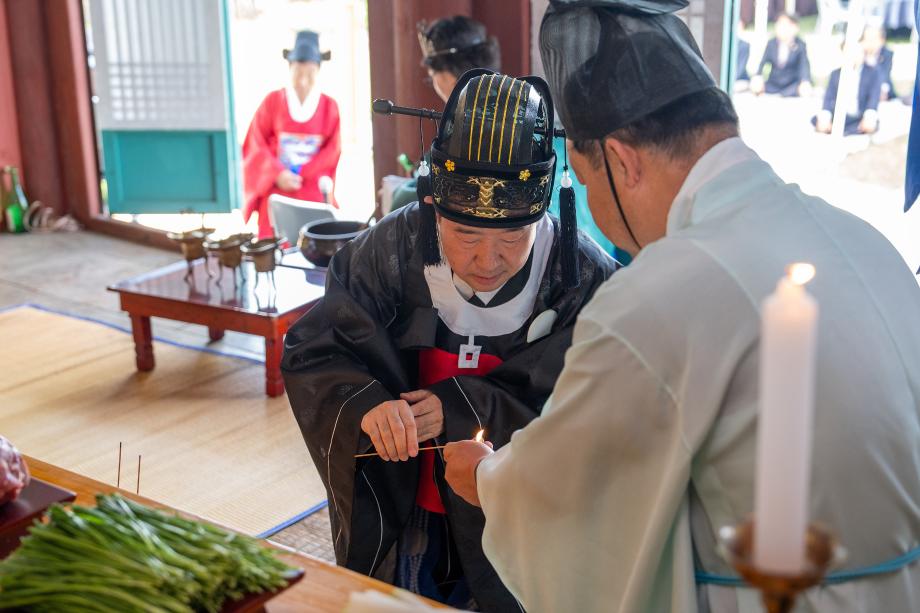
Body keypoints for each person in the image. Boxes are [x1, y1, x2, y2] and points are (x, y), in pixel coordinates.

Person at [444, 1, 920, 611]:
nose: (593, 200)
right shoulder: (863, 240)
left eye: (586, 183)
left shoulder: (663, 294)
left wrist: (486, 479)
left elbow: (568, 489)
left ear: (620, 160)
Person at [281, 70, 616, 611]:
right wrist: (366, 405)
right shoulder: (391, 247)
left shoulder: (580, 277)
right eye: (465, 236)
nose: (488, 260)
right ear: (434, 206)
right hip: (408, 494)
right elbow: (318, 345)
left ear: (543, 211)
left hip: (516, 510)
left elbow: (598, 406)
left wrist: (462, 407)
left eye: (512, 236)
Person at [390, 15, 622, 260]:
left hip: (537, 260)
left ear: (445, 76)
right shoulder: (544, 128)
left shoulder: (466, 141)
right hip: (592, 253)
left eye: (432, 76)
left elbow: (409, 204)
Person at [242, 30, 341, 238]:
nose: (303, 81)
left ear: (318, 71)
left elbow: (332, 150)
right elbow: (255, 143)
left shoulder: (329, 106)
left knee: (316, 242)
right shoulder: (272, 101)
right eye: (298, 72)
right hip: (278, 184)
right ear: (290, 69)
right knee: (273, 243)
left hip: (312, 184)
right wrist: (277, 174)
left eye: (310, 73)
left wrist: (304, 173)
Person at [813, 43, 882, 136]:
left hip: (859, 115)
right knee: (820, 123)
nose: (854, 57)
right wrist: (825, 118)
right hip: (839, 115)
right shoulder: (836, 74)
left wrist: (869, 117)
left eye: (858, 53)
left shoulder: (872, 73)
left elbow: (874, 98)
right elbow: (828, 98)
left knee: (870, 125)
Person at [751, 13, 812, 97]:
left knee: (805, 89)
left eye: (785, 25)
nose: (781, 28)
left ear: (794, 28)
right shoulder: (771, 43)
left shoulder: (800, 45)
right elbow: (763, 62)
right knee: (756, 84)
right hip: (773, 82)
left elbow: (804, 65)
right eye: (779, 24)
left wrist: (805, 80)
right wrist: (758, 76)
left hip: (791, 84)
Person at [862, 21, 897, 101]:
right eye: (867, 38)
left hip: (883, 92)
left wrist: (883, 90)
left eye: (873, 38)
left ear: (881, 40)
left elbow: (884, 74)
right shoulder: (861, 54)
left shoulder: (886, 54)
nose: (870, 42)